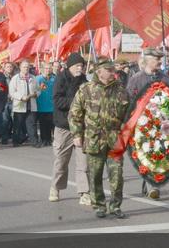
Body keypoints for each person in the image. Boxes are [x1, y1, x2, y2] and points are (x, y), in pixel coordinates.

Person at [69, 57, 130, 219]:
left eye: (113, 70)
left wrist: (127, 133)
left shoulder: (120, 90)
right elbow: (75, 113)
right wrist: (77, 134)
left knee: (117, 175)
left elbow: (128, 115)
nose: (112, 73)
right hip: (94, 139)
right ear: (99, 71)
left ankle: (115, 206)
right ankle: (99, 205)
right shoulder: (86, 89)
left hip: (114, 139)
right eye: (108, 70)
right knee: (95, 175)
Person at [125, 48, 169, 200]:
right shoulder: (136, 79)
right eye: (156, 59)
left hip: (161, 123)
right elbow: (129, 99)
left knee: (158, 153)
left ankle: (152, 184)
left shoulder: (165, 78)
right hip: (142, 124)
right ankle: (151, 184)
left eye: (160, 59)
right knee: (146, 152)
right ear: (147, 61)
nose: (160, 62)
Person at [50, 53, 90, 205]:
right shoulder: (61, 78)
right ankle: (55, 188)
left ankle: (84, 192)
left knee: (84, 163)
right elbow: (57, 101)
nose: (80, 68)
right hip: (64, 126)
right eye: (77, 66)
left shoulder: (84, 81)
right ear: (70, 66)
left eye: (82, 66)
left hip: (81, 127)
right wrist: (77, 101)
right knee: (61, 161)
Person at [9, 61, 39, 147]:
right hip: (20, 105)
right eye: (24, 67)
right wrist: (21, 97)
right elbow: (12, 92)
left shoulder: (33, 78)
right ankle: (16, 141)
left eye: (27, 67)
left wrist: (36, 94)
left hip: (31, 105)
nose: (26, 68)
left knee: (32, 124)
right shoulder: (15, 78)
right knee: (17, 125)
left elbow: (38, 89)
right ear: (20, 68)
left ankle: (34, 142)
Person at [35, 62, 58, 147]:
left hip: (52, 106)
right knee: (43, 124)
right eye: (46, 68)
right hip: (41, 106)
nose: (48, 70)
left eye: (49, 68)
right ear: (42, 69)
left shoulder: (54, 79)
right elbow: (35, 90)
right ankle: (44, 139)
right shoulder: (37, 79)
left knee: (51, 124)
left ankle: (50, 139)